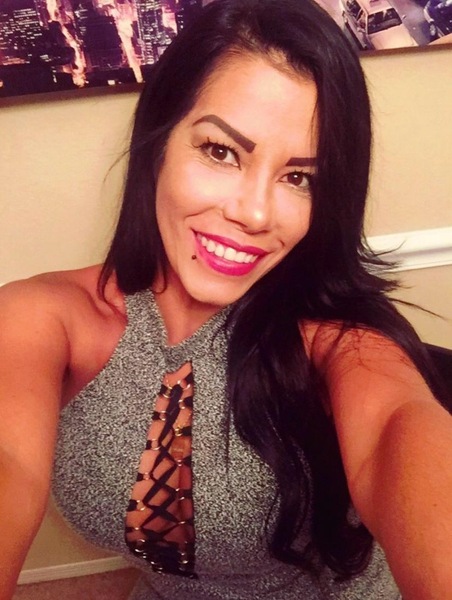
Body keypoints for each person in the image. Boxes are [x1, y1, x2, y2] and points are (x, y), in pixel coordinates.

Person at [1, 0, 451, 598]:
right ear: (159, 143)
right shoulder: (47, 317)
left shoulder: (339, 342)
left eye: (300, 177)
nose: (255, 214)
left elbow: (397, 426)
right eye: (221, 151)